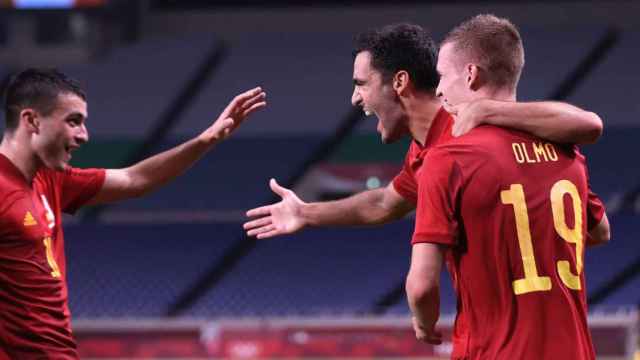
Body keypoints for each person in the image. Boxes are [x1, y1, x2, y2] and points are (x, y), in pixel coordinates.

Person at [244, 23, 602, 241]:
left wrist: (489, 109)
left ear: (399, 82)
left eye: (361, 84)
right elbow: (384, 203)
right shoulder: (425, 149)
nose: (354, 98)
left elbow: (587, 125)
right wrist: (306, 213)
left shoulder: (469, 130)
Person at [0, 68, 266, 359]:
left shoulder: (49, 179)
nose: (83, 135)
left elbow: (135, 180)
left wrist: (206, 140)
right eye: (73, 121)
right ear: (32, 120)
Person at [405, 15, 610, 359]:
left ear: (470, 75)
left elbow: (422, 284)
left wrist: (424, 322)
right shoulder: (566, 152)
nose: (438, 90)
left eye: (441, 76)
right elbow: (600, 231)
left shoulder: (446, 159)